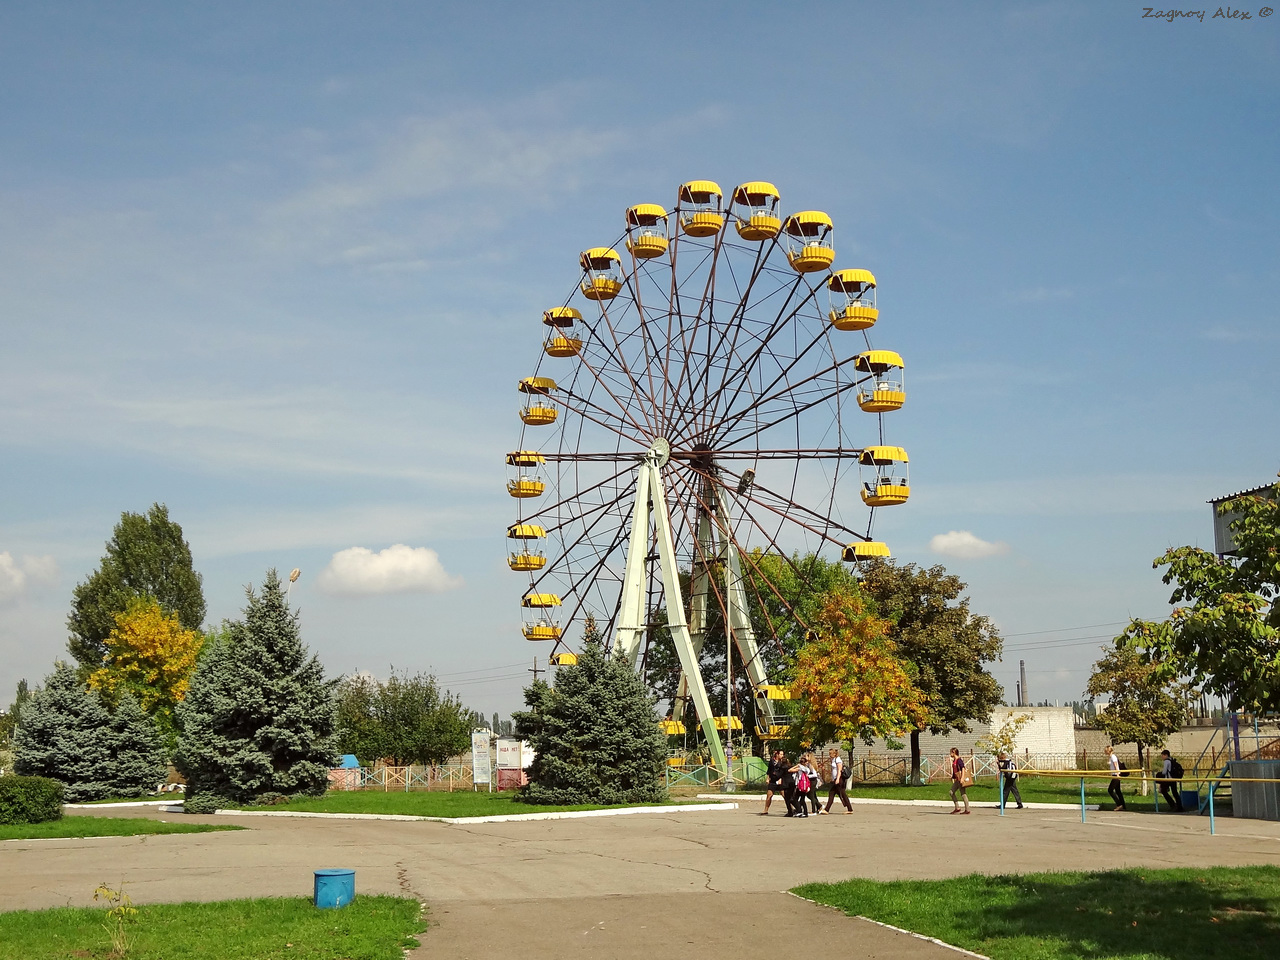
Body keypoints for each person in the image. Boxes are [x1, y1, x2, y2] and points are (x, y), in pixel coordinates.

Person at [824, 747, 853, 813]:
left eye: (830, 753)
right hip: (835, 779)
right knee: (832, 793)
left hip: (839, 780)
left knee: (842, 794)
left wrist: (837, 779)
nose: (829, 755)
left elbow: (839, 770)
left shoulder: (838, 760)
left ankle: (850, 809)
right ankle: (826, 809)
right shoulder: (834, 760)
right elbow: (833, 770)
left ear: (834, 754)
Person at [763, 749, 787, 815]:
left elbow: (784, 771)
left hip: (780, 781)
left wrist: (781, 779)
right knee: (769, 795)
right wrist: (768, 778)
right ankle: (765, 810)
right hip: (773, 780)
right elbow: (769, 770)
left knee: (784, 795)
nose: (782, 756)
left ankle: (791, 808)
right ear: (777, 754)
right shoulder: (772, 761)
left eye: (783, 754)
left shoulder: (783, 762)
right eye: (781, 754)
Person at [949, 747, 970, 814]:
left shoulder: (959, 760)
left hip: (960, 779)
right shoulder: (954, 760)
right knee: (951, 792)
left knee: (963, 794)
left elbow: (963, 768)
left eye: (951, 752)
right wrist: (953, 777)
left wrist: (962, 778)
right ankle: (957, 807)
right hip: (957, 780)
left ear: (953, 752)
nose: (950, 754)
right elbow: (955, 770)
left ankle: (967, 810)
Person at [1105, 745, 1126, 811]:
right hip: (1115, 774)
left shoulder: (1113, 757)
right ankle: (1123, 806)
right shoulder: (1111, 757)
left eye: (1106, 751)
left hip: (1116, 775)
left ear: (1108, 751)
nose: (1105, 752)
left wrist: (1117, 774)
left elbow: (1116, 765)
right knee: (1118, 791)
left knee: (1110, 790)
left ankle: (1119, 804)